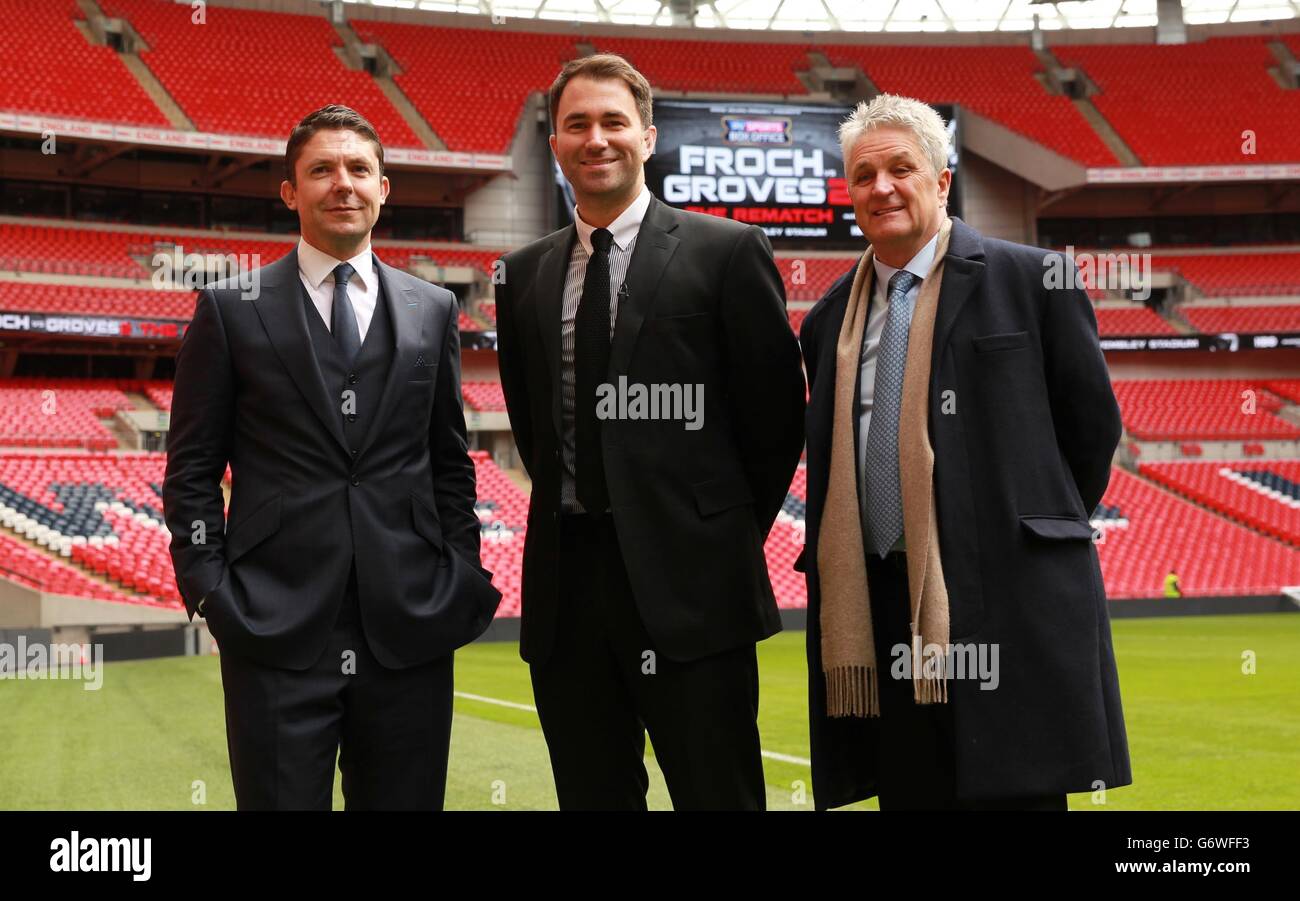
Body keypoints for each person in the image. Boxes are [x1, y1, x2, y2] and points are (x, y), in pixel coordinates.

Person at [797, 93, 1131, 810]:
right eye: (863, 175)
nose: (881, 187)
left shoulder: (1033, 279)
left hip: (1006, 600)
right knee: (912, 796)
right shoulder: (829, 321)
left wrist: (1012, 527)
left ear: (942, 179)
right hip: (883, 605)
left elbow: (1090, 431)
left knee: (1017, 798)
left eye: (900, 168)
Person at [162, 104, 500, 810]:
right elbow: (191, 468)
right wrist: (207, 587)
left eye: (357, 169)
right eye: (321, 169)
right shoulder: (230, 308)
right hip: (273, 626)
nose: (341, 183)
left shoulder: (433, 308)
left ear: (384, 188)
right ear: (290, 191)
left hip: (409, 623)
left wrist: (462, 571)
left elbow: (449, 459)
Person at [494, 54, 806, 810]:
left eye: (613, 122)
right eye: (577, 125)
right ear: (555, 144)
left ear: (648, 136)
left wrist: (708, 532)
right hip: (569, 589)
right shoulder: (524, 272)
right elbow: (535, 427)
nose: (595, 138)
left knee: (718, 794)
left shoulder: (726, 251)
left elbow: (774, 422)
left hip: (693, 588)